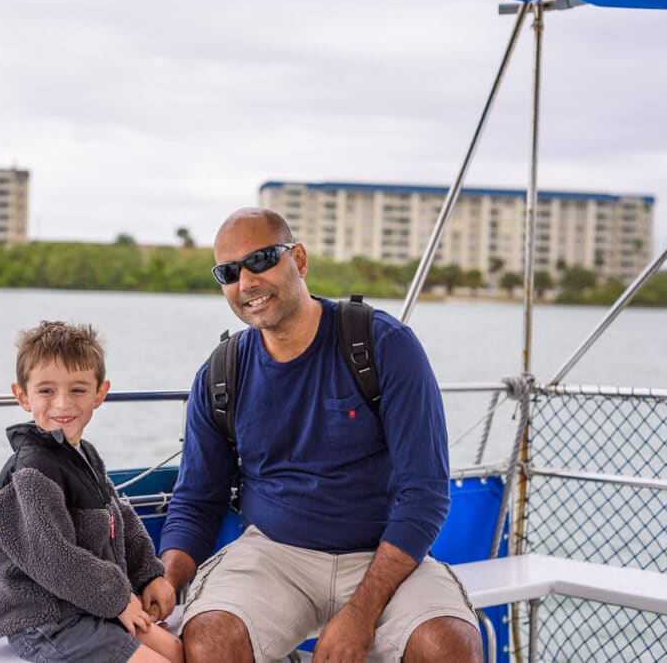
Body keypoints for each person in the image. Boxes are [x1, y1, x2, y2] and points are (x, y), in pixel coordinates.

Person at [156, 209, 483, 663]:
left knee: (449, 645)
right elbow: (197, 500)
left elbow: (425, 494)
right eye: (229, 272)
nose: (247, 281)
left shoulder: (383, 346)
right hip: (273, 556)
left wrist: (360, 613)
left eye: (262, 260)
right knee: (210, 638)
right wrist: (166, 579)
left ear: (300, 260)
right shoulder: (221, 375)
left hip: (381, 554)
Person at [0, 320, 183, 663]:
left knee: (177, 651)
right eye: (46, 391)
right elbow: (53, 557)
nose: (63, 404)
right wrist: (119, 599)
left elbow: (119, 518)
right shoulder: (32, 470)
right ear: (22, 396)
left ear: (99, 394)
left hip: (89, 604)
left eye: (78, 390)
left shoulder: (83, 453)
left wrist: (149, 574)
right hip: (46, 620)